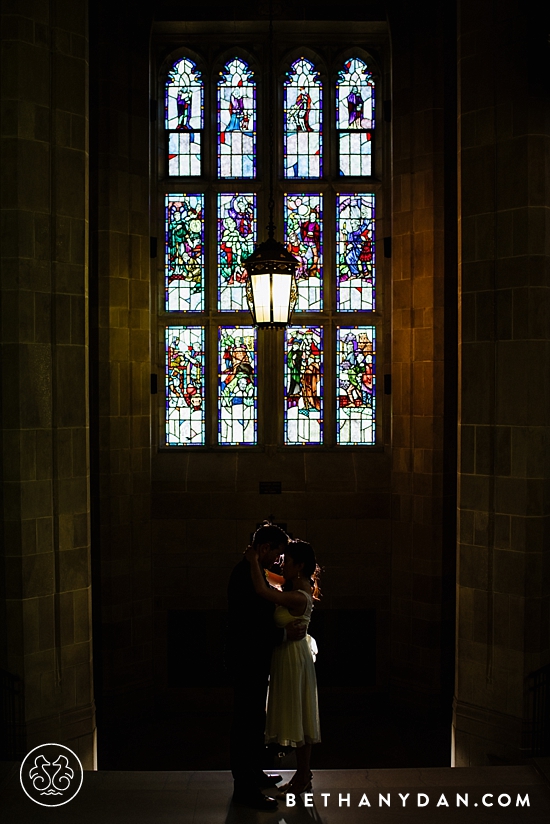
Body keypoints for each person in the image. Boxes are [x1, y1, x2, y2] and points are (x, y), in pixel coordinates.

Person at [227, 523, 306, 811]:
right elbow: (250, 626)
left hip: (253, 660)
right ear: (264, 548)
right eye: (277, 553)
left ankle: (253, 774)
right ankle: (244, 788)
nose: (278, 560)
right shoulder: (245, 575)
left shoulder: (253, 571)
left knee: (252, 722)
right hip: (248, 660)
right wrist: (284, 634)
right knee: (246, 723)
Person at [245, 539, 321, 798]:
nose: (281, 564)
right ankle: (302, 774)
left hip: (293, 658)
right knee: (297, 713)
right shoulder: (294, 585)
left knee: (299, 714)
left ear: (299, 566)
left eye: (286, 560)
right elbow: (271, 579)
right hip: (286, 656)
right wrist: (263, 561)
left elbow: (263, 590)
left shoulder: (299, 596)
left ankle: (304, 774)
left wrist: (253, 561)